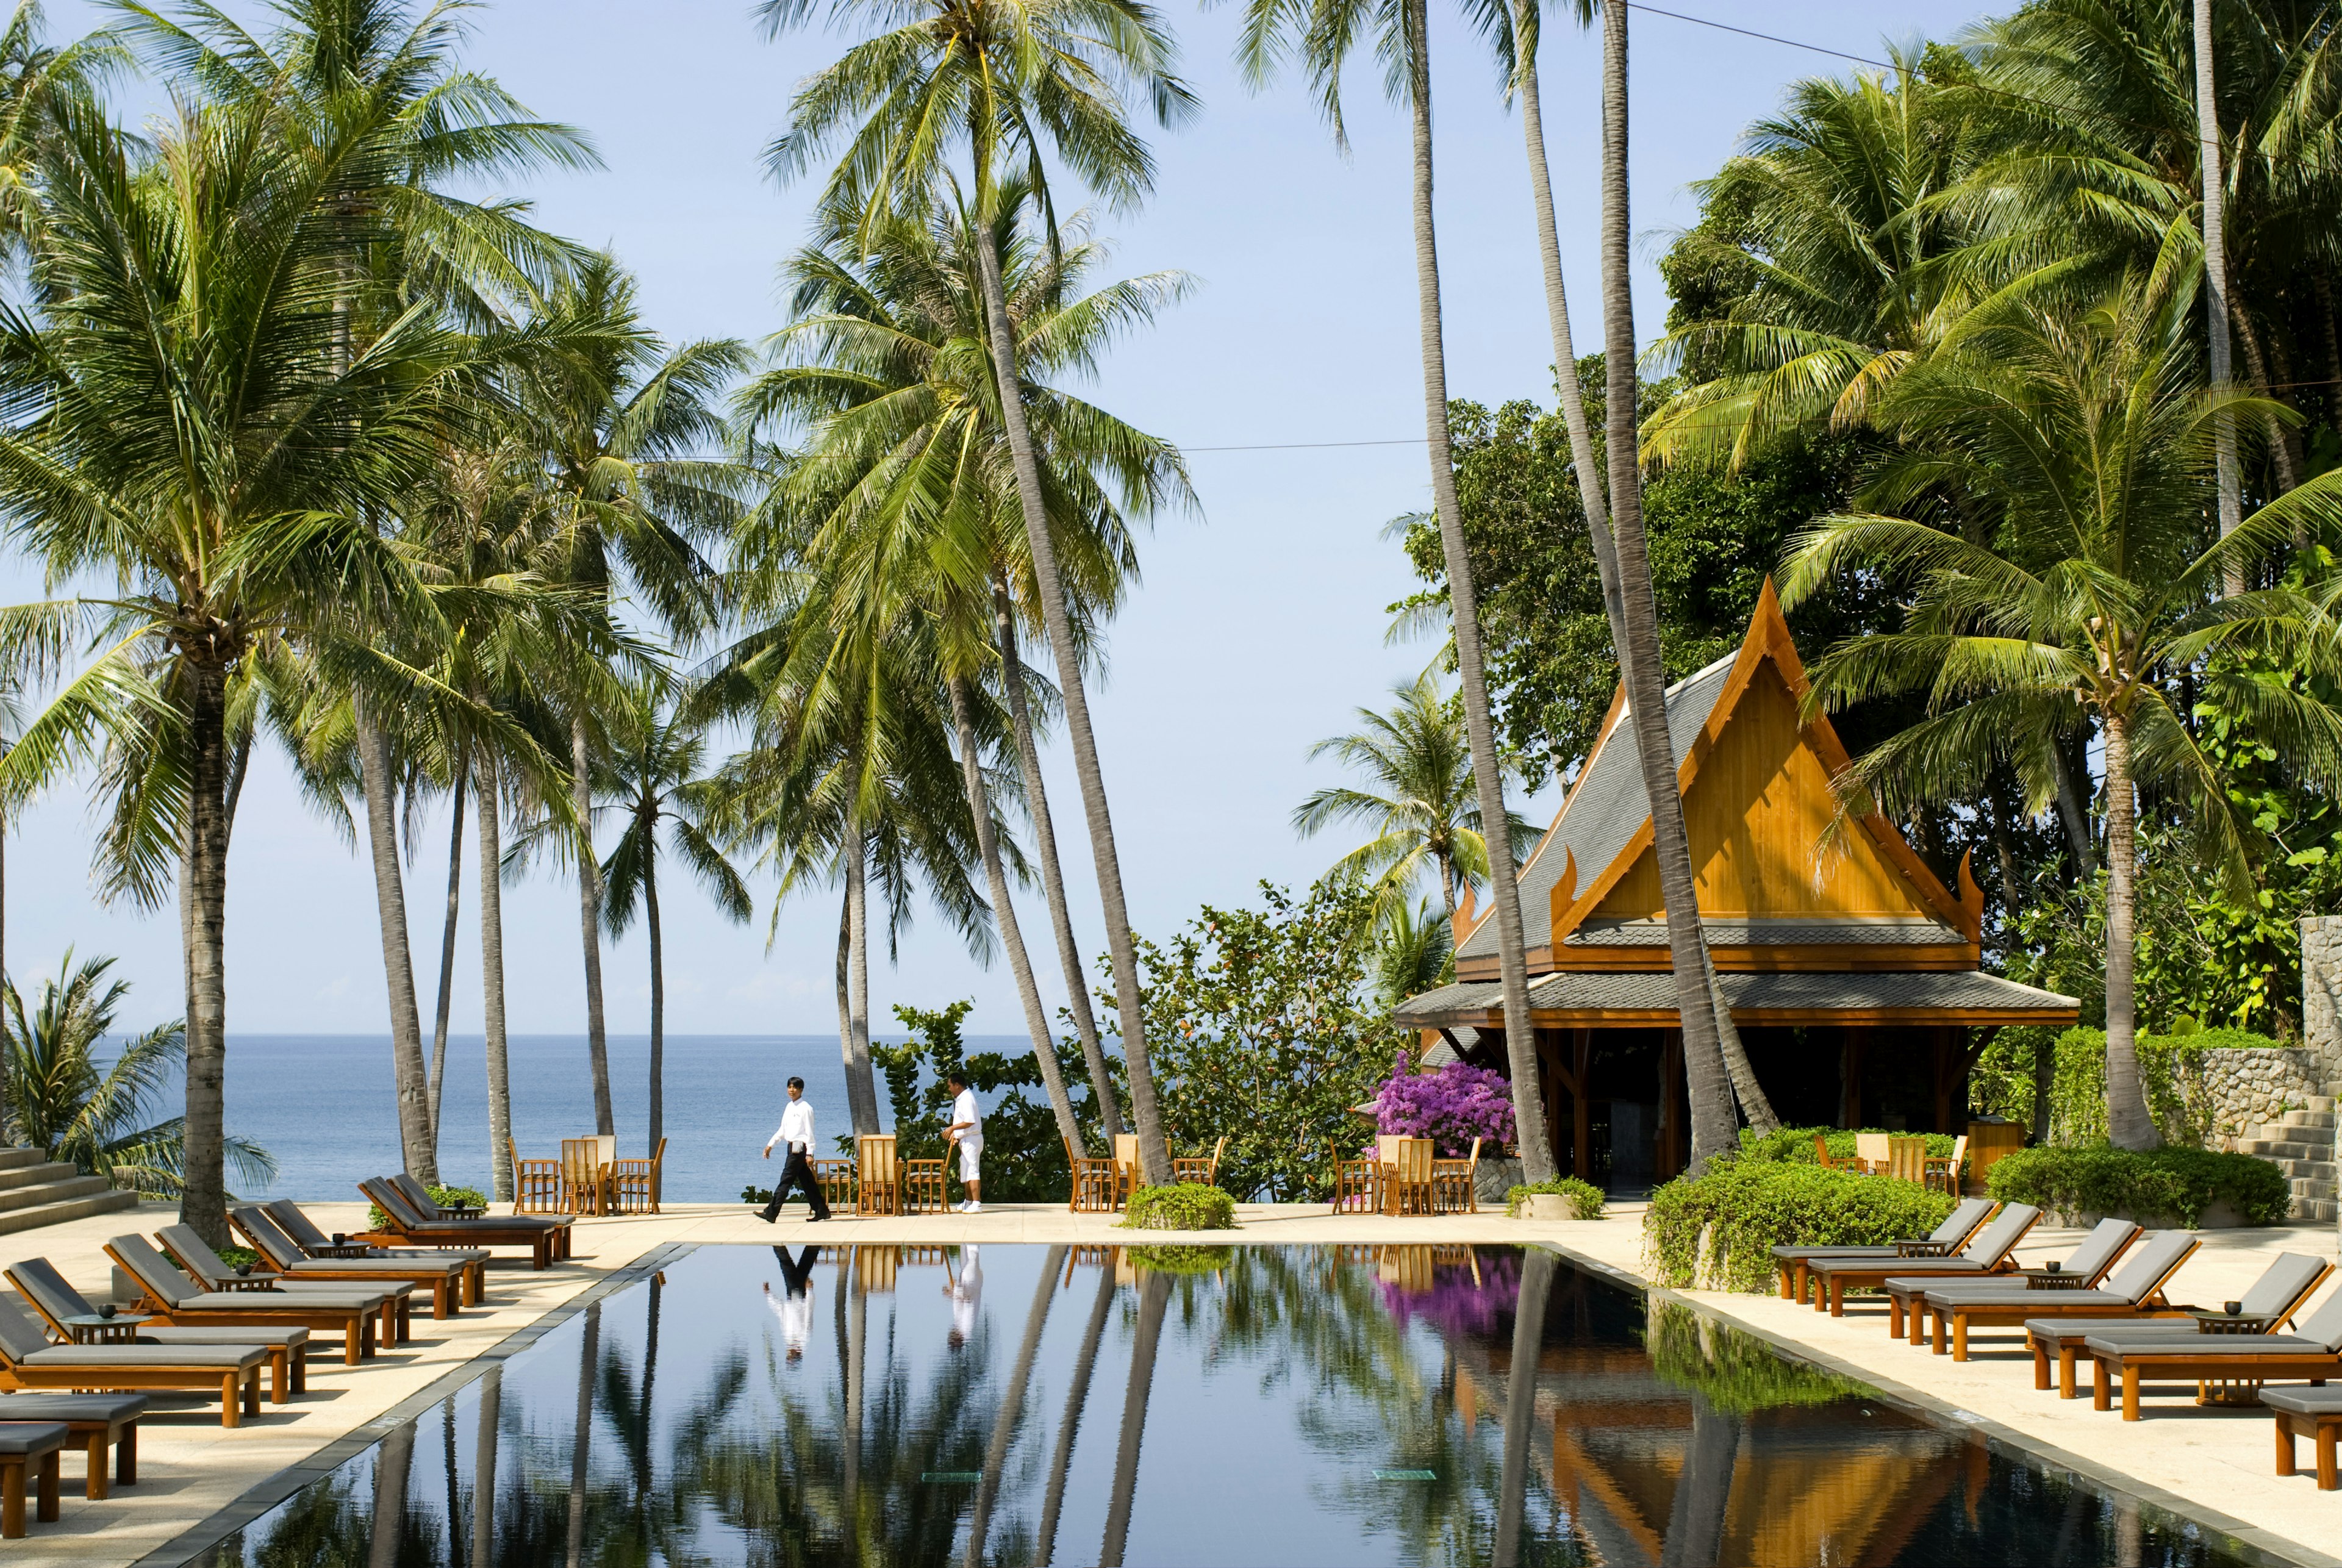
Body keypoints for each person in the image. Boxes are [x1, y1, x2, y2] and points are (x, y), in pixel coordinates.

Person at [760, 1076, 831, 1222]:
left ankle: (771, 1212)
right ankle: (822, 1211)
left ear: (801, 1090)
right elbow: (783, 1129)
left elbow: (810, 1132)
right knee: (807, 1182)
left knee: (785, 1180)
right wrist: (770, 1144)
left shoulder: (806, 1108)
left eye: (795, 1088)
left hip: (800, 1149)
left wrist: (810, 1153)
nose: (792, 1090)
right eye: (790, 1087)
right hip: (791, 1146)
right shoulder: (789, 1107)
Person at [764, 1245, 819, 1364]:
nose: (788, 1352)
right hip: (800, 1294)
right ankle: (778, 1245)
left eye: (788, 1355)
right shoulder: (804, 1337)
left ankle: (814, 1245)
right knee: (786, 1264)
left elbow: (781, 1313)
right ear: (797, 1354)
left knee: (806, 1262)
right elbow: (809, 1313)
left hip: (790, 1295)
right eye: (791, 1356)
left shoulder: (787, 1337)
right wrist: (809, 1291)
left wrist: (769, 1295)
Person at [944, 1070, 982, 1213]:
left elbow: (970, 1121)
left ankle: (977, 1203)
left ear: (957, 1085)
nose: (949, 1089)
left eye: (950, 1085)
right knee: (966, 1172)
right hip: (965, 1140)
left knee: (972, 1170)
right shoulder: (962, 1098)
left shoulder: (967, 1098)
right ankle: (969, 1201)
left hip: (972, 1139)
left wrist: (952, 1128)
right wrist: (956, 1135)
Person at [944, 1243, 983, 1349]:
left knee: (965, 1257)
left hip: (966, 1284)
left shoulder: (959, 1327)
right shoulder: (967, 1326)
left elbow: (960, 1302)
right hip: (972, 1283)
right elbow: (969, 1301)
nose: (950, 1332)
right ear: (957, 1338)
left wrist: (952, 1294)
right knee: (972, 1256)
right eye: (951, 1336)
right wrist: (953, 1294)